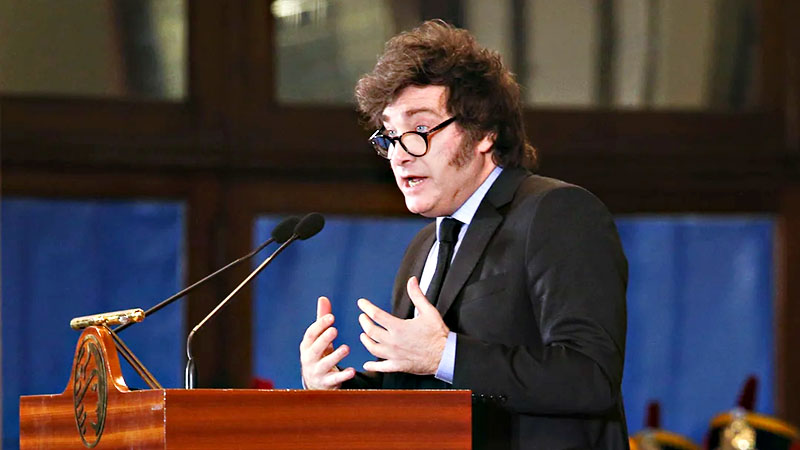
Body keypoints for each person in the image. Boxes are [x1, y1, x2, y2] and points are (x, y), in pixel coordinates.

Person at [299, 20, 629, 449]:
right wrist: (334, 389)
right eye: (390, 136)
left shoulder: (556, 212)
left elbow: (590, 377)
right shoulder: (424, 246)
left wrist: (444, 355)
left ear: (485, 133)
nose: (399, 155)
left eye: (420, 130)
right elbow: (419, 396)